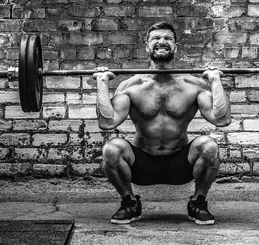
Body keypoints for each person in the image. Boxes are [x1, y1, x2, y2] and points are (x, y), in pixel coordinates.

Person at [92, 21, 232, 225]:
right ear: (146, 46)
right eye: (156, 38)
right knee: (111, 148)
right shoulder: (132, 86)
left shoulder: (192, 85)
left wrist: (215, 81)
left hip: (180, 164)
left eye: (168, 38)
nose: (162, 42)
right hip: (141, 164)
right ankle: (129, 202)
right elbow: (107, 122)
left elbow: (222, 118)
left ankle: (198, 202)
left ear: (176, 46)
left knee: (209, 146)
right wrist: (102, 83)